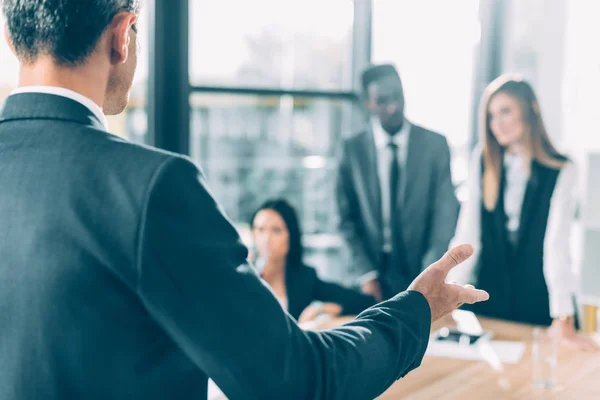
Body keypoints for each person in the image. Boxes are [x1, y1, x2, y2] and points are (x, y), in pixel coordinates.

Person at [0, 1, 489, 399]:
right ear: (122, 34)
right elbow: (294, 379)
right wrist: (414, 312)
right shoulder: (151, 187)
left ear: (10, 37)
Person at [447, 74, 597, 351]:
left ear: (531, 110)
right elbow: (468, 236)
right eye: (492, 116)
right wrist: (446, 292)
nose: (497, 124)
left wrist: (562, 316)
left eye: (506, 112)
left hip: (538, 304)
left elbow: (557, 247)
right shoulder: (483, 160)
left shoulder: (561, 169)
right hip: (488, 302)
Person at [336, 64, 459, 301]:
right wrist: (366, 274)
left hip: (420, 269)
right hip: (369, 274)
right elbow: (344, 218)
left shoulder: (435, 146)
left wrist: (431, 272)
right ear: (368, 104)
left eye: (398, 97)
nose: (393, 106)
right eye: (382, 100)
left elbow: (444, 214)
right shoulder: (352, 150)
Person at [251, 198, 376, 322]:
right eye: (260, 229)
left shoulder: (304, 278)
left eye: (276, 230)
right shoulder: (246, 275)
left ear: (291, 236)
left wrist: (320, 308)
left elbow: (363, 302)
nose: (266, 239)